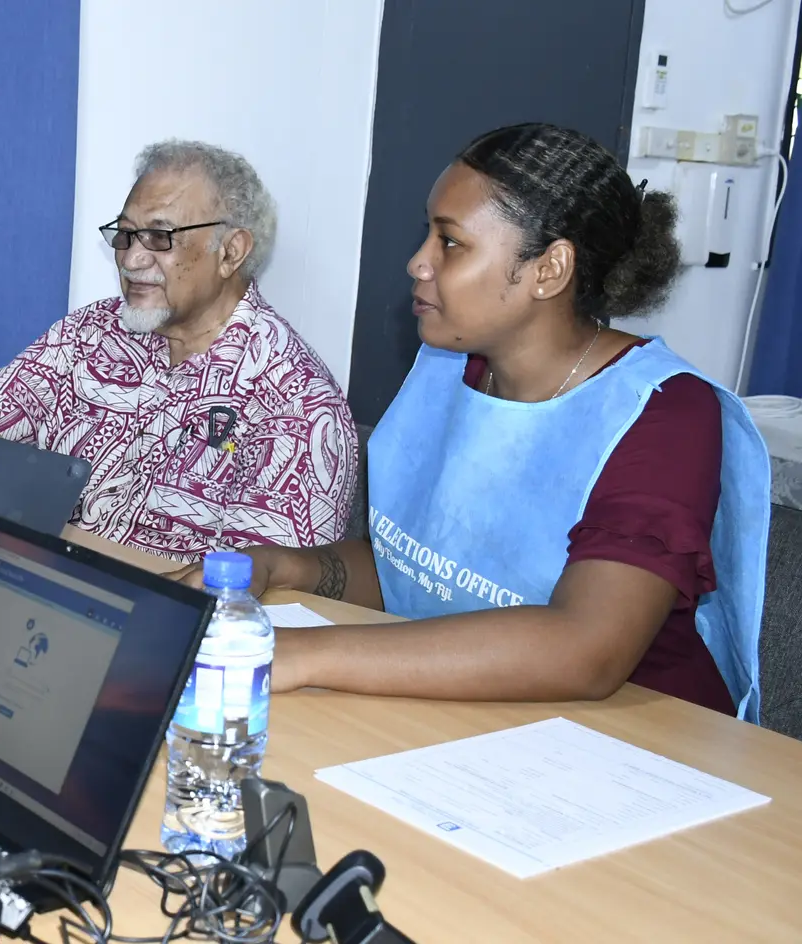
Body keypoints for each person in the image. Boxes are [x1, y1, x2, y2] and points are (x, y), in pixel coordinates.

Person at [177, 124, 769, 719]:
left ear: (549, 269)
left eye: (450, 243)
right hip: (486, 717)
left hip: (642, 742)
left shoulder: (666, 413)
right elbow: (420, 576)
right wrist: (281, 564)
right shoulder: (448, 367)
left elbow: (586, 648)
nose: (417, 263)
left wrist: (295, 654)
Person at [0, 140, 357, 561]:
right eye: (125, 234)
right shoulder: (89, 332)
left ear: (230, 252)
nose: (132, 259)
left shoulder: (296, 401)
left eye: (160, 237)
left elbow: (259, 594)